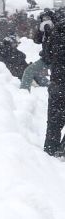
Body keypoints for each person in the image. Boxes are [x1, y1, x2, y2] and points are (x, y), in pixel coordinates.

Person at [37, 8, 65, 157]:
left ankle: (50, 152)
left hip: (58, 83)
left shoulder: (55, 34)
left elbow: (47, 58)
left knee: (54, 122)